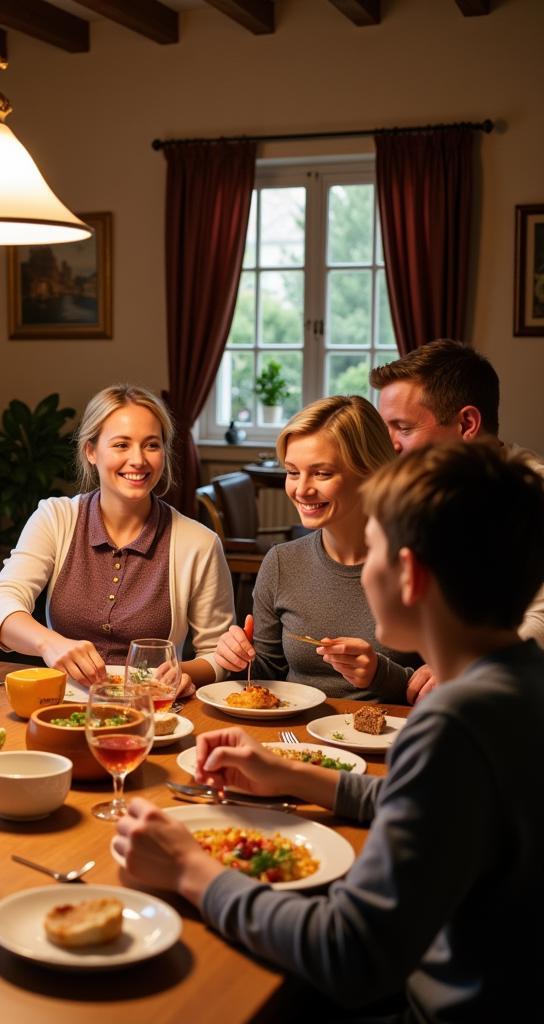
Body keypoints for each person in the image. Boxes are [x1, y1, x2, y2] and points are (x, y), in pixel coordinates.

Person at [114, 441, 544, 1020]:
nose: (362, 569)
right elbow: (426, 800)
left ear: (410, 576)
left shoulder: (452, 726)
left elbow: (350, 952)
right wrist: (287, 773)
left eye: (374, 551)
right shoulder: (518, 683)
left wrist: (192, 870)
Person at [0, 384, 234, 689]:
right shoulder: (55, 518)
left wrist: (186, 673)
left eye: (151, 445)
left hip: (155, 709)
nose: (138, 459)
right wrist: (49, 644)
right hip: (63, 705)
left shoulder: (199, 543)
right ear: (91, 451)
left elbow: (218, 653)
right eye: (121, 445)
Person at [370, 338, 544, 703]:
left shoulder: (532, 493)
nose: (392, 445)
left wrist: (462, 659)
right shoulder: (421, 489)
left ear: (467, 423)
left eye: (403, 427)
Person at [214, 395, 419, 700]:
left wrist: (381, 674)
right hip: (292, 742)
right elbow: (265, 675)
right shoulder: (282, 562)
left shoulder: (417, 563)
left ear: (371, 473)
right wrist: (236, 658)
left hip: (390, 741)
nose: (302, 489)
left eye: (322, 473)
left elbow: (450, 684)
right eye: (293, 472)